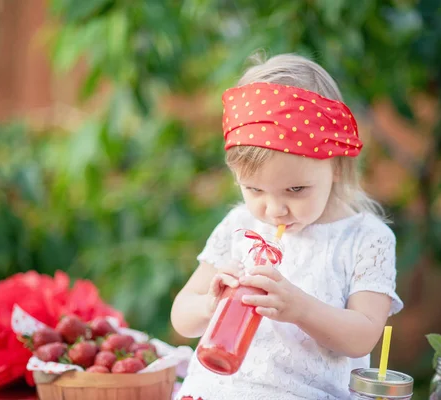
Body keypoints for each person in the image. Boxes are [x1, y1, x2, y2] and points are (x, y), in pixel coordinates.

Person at [170, 53, 404, 400]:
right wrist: (210, 304)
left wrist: (300, 309)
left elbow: (363, 334)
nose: (275, 209)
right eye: (254, 189)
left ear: (336, 166)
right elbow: (181, 316)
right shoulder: (240, 226)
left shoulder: (365, 239)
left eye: (295, 190)